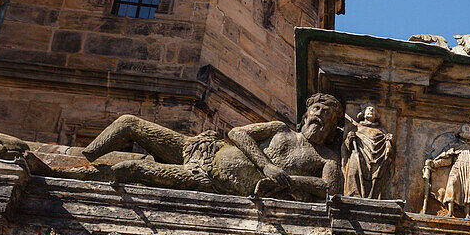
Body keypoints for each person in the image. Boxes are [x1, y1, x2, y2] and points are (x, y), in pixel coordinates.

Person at [80, 93, 342, 200]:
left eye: (328, 115)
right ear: (306, 115)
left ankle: (67, 175)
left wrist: (288, 181)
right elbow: (237, 132)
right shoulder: (279, 128)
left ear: (332, 128)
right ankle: (88, 154)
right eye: (317, 109)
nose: (320, 116)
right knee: (128, 122)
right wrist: (266, 166)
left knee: (131, 169)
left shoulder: (325, 159)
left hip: (207, 178)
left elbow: (329, 187)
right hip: (202, 149)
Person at [424, 125, 470, 218]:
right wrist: (435, 164)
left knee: (468, 190)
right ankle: (450, 211)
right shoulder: (454, 146)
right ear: (459, 135)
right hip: (457, 168)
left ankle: (467, 213)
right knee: (452, 185)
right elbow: (447, 159)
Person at [342, 103, 394, 200]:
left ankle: (374, 196)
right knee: (353, 172)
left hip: (376, 158)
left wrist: (388, 141)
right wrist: (349, 138)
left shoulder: (381, 130)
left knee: (376, 178)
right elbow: (346, 147)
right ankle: (353, 194)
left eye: (373, 110)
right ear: (363, 113)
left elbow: (388, 149)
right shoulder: (357, 128)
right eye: (368, 109)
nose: (370, 111)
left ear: (376, 115)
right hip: (358, 154)